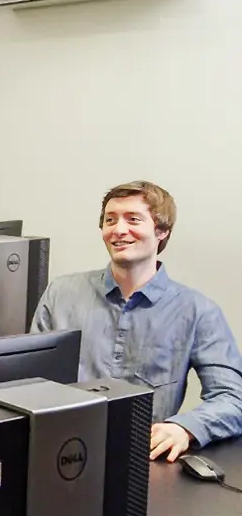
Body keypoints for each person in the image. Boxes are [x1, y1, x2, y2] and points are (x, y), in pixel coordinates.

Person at [31, 180, 242, 462]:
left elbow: (232, 399)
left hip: (145, 461)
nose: (118, 230)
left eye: (133, 219)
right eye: (110, 220)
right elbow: (28, 384)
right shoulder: (61, 294)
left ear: (162, 231)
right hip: (64, 453)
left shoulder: (197, 311)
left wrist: (184, 428)